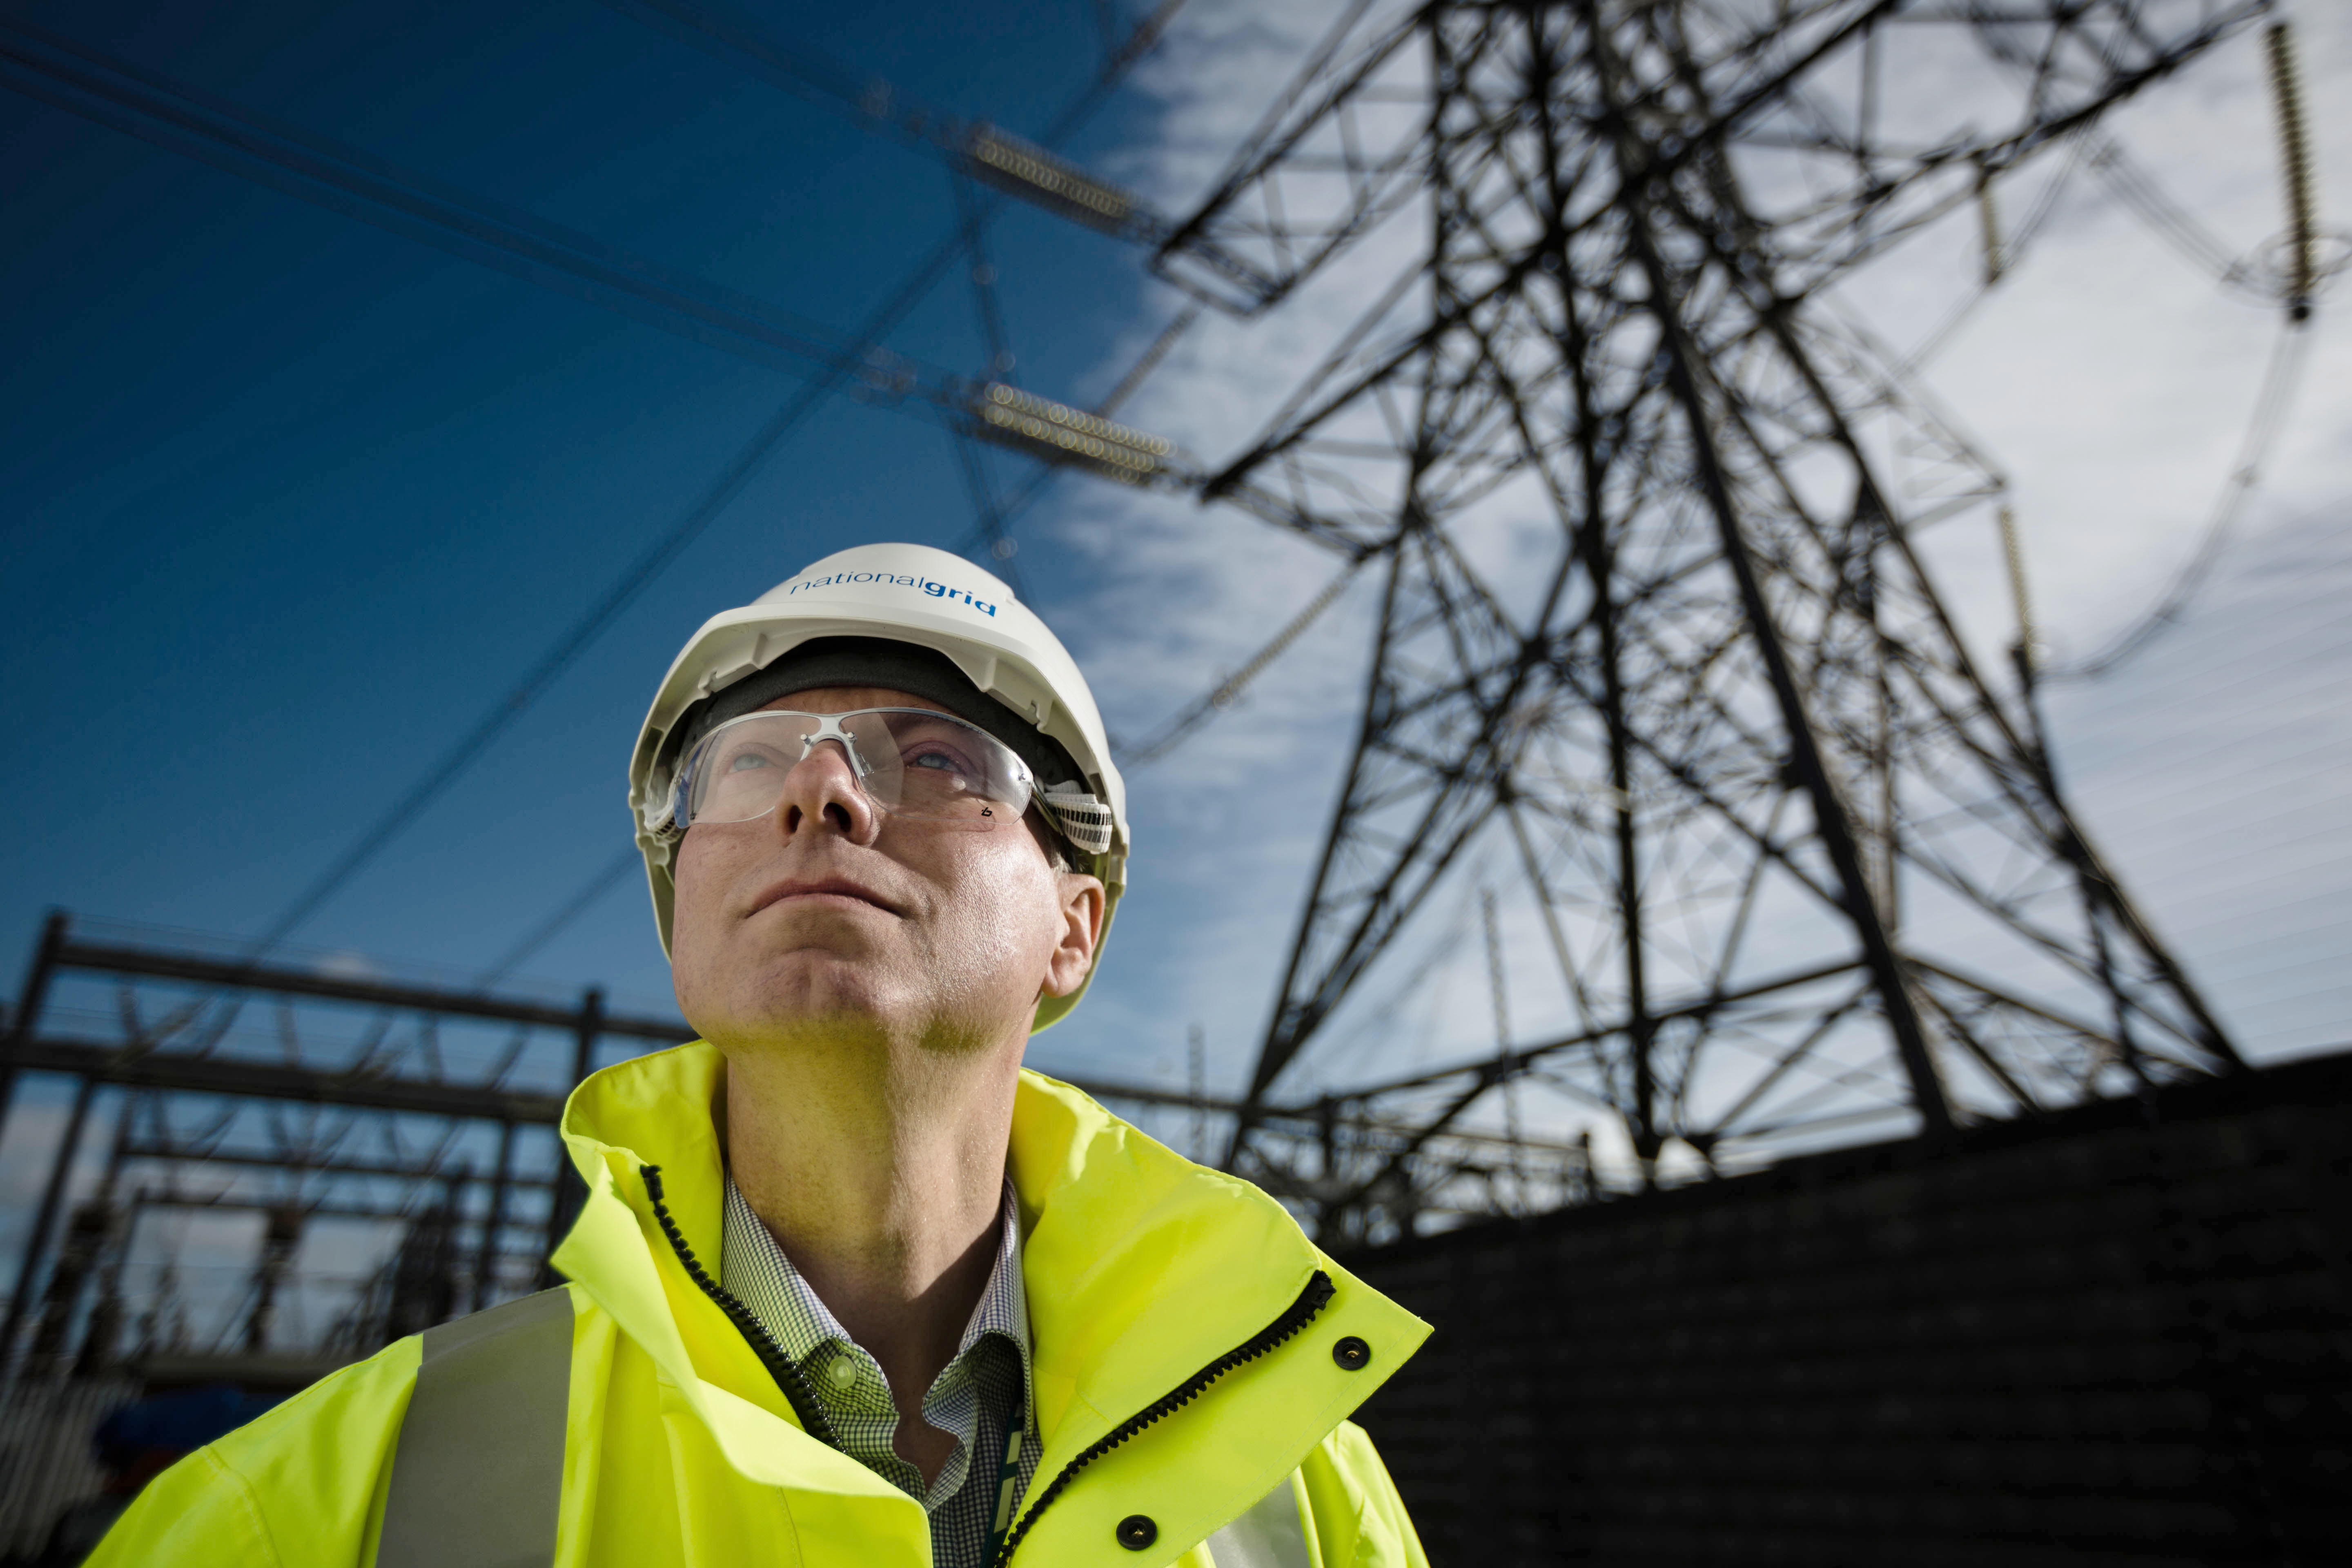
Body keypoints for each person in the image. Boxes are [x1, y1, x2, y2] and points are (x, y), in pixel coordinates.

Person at [90, 542, 1431, 1567]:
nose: (822, 790)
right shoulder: (293, 1512)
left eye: (939, 755)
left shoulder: (1310, 1498)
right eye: (749, 765)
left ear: (1074, 928)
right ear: (684, 913)